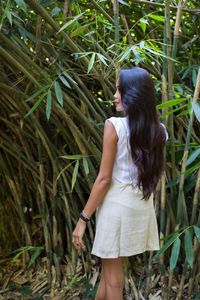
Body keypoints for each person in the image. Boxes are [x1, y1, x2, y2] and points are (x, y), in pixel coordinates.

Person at [72, 67, 168, 300]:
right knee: (109, 273)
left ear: (134, 94)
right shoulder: (160, 131)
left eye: (119, 89)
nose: (115, 95)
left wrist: (83, 219)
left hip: (116, 206)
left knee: (114, 281)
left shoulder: (114, 126)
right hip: (140, 206)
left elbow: (104, 179)